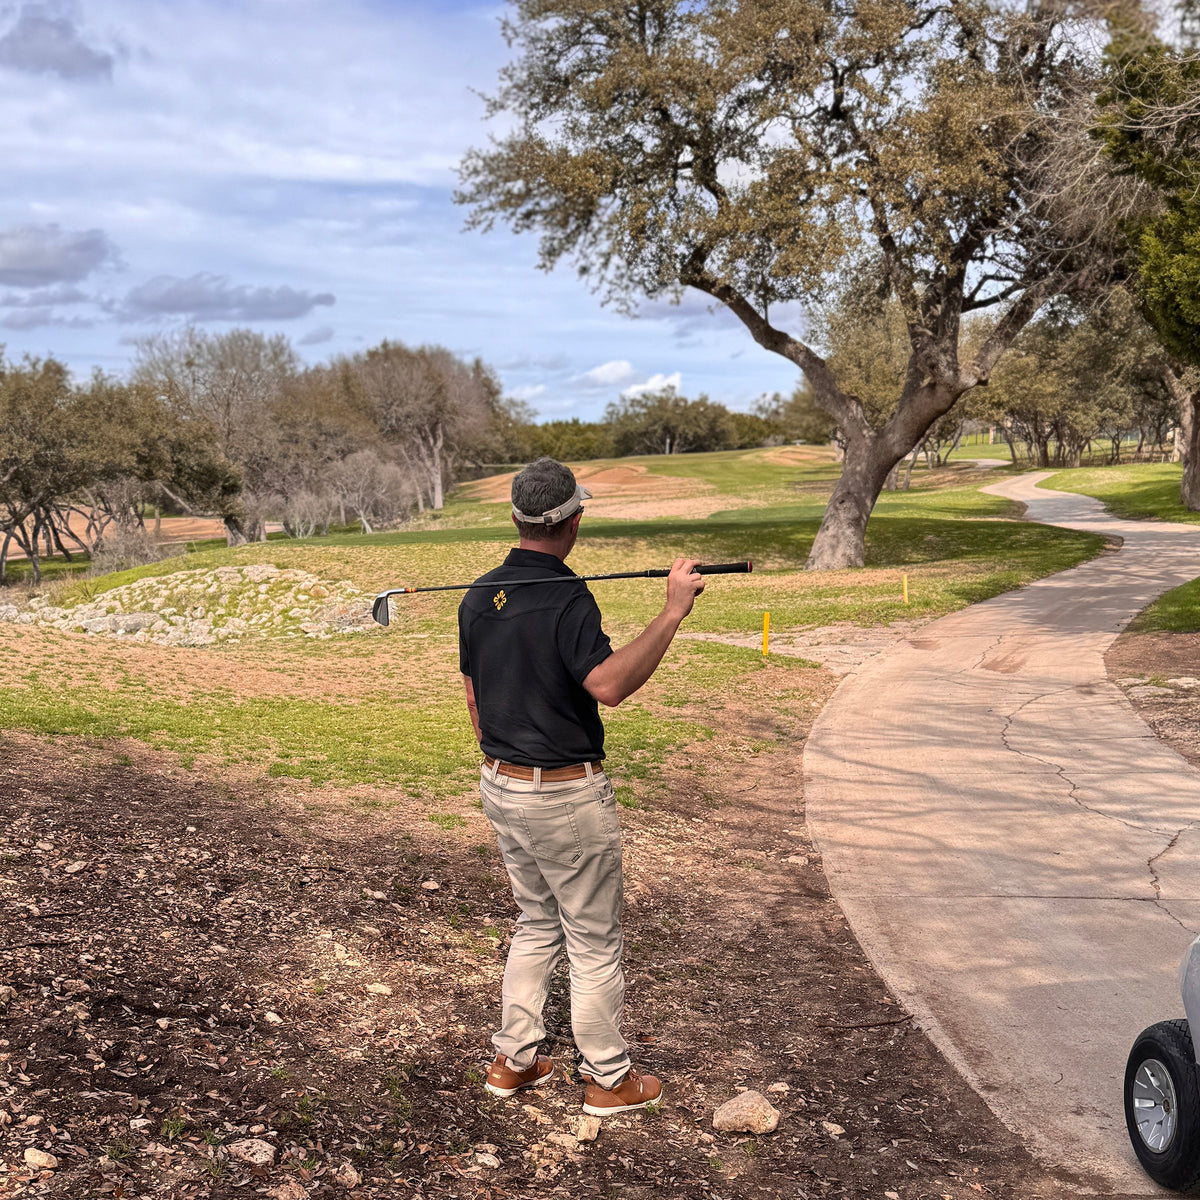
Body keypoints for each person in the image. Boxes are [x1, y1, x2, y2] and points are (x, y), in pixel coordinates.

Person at [458, 457, 705, 1116]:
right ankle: (609, 1078)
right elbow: (610, 685)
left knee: (537, 922)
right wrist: (672, 612)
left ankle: (515, 1062)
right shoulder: (567, 596)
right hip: (562, 795)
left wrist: (502, 759)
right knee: (592, 938)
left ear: (516, 518)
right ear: (572, 521)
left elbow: (474, 697)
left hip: (500, 782)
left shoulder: (479, 594)